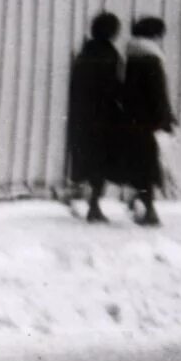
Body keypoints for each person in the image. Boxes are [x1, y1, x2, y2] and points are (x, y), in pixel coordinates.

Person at [66, 12, 125, 223]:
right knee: (102, 163)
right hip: (105, 118)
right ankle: (94, 206)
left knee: (89, 162)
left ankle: (94, 204)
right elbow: (115, 87)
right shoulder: (110, 54)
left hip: (83, 118)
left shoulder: (85, 53)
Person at [123, 16, 178, 227]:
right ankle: (149, 211)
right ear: (155, 34)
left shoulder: (132, 56)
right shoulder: (152, 58)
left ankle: (143, 204)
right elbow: (158, 94)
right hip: (149, 122)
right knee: (150, 167)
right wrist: (165, 119)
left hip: (134, 120)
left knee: (143, 166)